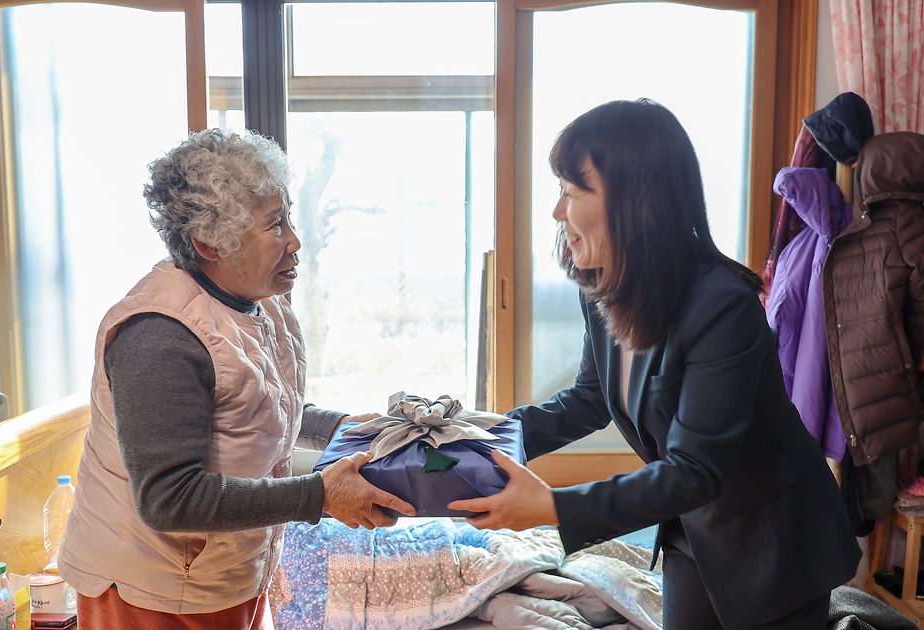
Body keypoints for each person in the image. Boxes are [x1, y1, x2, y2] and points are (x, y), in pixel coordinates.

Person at [448, 99, 862, 630]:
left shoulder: (722, 307)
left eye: (572, 192)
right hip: (693, 529)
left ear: (634, 201)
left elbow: (695, 468)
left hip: (774, 540)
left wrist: (553, 506)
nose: (557, 212)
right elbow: (590, 400)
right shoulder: (605, 286)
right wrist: (490, 439)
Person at [58, 128, 415, 630]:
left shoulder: (260, 303)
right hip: (150, 593)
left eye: (287, 217)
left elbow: (254, 406)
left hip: (223, 572)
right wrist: (319, 495)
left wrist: (346, 428)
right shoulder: (160, 336)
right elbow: (169, 497)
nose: (294, 240)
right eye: (275, 226)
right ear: (209, 243)